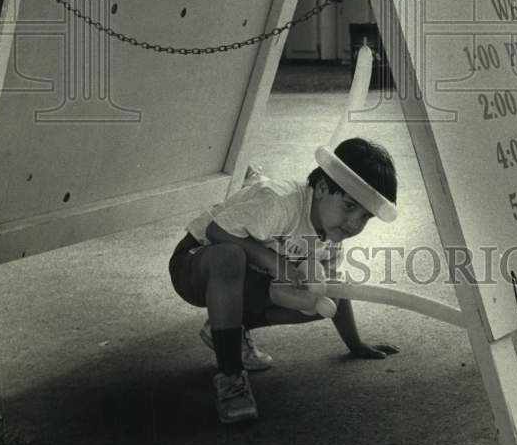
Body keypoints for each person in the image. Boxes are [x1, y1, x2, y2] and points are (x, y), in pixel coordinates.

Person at [169, 137, 399, 424]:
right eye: (350, 207)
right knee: (229, 256)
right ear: (324, 188)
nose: (354, 224)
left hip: (246, 282)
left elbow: (335, 291)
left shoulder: (331, 235)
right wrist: (278, 265)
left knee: (321, 300)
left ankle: (228, 330)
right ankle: (230, 376)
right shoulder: (280, 201)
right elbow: (217, 232)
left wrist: (356, 344)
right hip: (195, 266)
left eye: (365, 217)